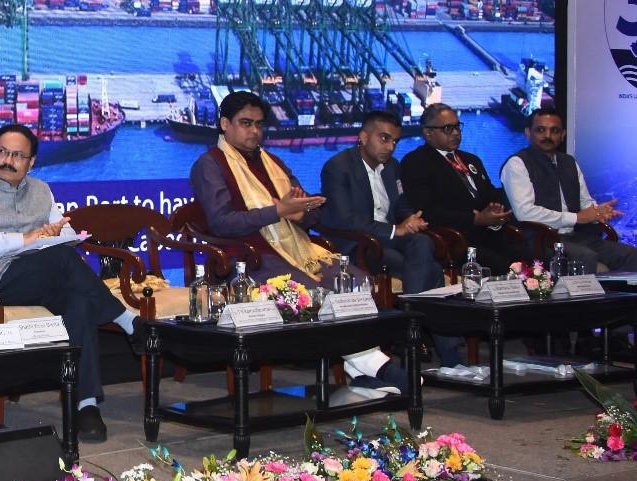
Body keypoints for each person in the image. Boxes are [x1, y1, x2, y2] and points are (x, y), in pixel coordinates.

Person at [189, 91, 409, 393]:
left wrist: (300, 214)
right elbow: (221, 222)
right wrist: (277, 211)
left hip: (296, 250)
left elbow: (313, 213)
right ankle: (377, 367)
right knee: (315, 291)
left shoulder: (273, 162)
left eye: (259, 124)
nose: (254, 131)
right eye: (245, 123)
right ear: (225, 124)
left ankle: (359, 368)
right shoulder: (210, 165)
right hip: (247, 258)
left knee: (356, 281)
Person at [0, 123, 141, 443]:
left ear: (32, 161)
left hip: (40, 279)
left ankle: (87, 406)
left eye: (17, 155)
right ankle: (125, 319)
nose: (8, 161)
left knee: (78, 302)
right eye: (2, 152)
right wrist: (25, 239)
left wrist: (53, 235)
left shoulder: (41, 190)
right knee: (61, 258)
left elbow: (67, 233)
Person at [320, 111, 463, 366]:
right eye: (384, 138)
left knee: (424, 242)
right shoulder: (338, 167)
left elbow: (401, 206)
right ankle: (446, 354)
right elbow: (345, 219)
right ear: (364, 137)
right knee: (432, 270)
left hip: (389, 235)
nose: (390, 147)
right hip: (358, 243)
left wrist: (411, 220)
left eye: (395, 141)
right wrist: (396, 230)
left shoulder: (393, 167)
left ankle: (409, 330)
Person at [399, 103, 533, 275]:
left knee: (535, 260)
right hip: (454, 241)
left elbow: (491, 195)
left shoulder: (471, 160)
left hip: (489, 236)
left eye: (457, 127)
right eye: (448, 128)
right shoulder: (416, 162)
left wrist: (497, 214)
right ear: (428, 133)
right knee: (503, 267)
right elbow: (427, 212)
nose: (456, 133)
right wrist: (475, 219)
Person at [501, 107, 637, 274]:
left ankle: (620, 293)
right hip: (542, 240)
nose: (548, 136)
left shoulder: (569, 162)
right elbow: (525, 212)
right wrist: (577, 218)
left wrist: (597, 213)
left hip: (578, 236)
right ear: (528, 133)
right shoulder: (517, 164)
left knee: (631, 255)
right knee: (585, 256)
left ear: (563, 135)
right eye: (541, 130)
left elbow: (585, 201)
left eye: (555, 131)